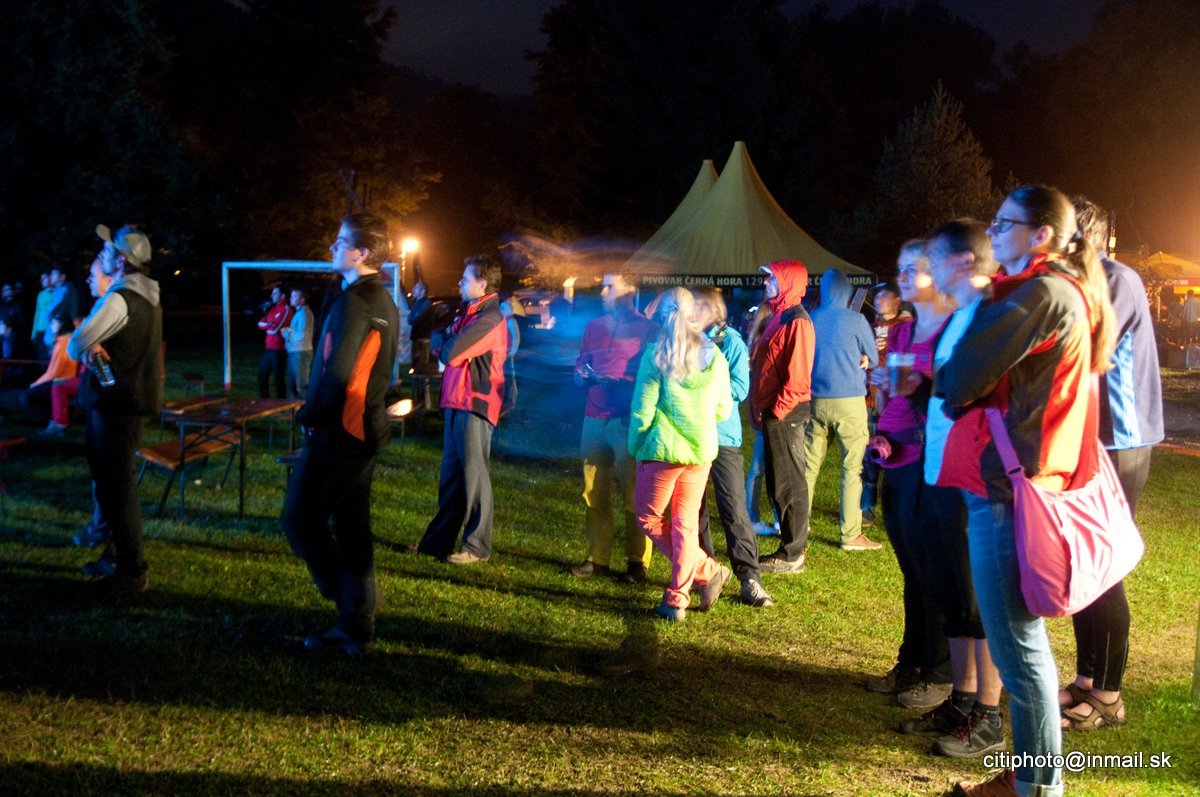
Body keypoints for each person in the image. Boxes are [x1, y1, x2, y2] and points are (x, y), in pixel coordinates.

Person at [937, 186, 1117, 797]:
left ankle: (1039, 787)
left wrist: (978, 306)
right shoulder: (1060, 290)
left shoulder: (1041, 292)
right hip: (1021, 484)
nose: (991, 231)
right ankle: (1031, 777)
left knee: (1018, 651)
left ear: (1040, 234)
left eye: (1002, 222)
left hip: (1009, 491)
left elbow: (956, 377)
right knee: (1021, 646)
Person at [888, 221, 1005, 759]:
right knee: (951, 590)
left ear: (961, 262)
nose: (923, 268)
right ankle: (961, 698)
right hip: (939, 466)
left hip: (973, 474)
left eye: (930, 258)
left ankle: (989, 714)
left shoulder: (990, 314)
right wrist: (918, 389)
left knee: (978, 597)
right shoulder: (959, 316)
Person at [1051, 197, 1164, 731]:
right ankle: (1086, 679)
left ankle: (1109, 695)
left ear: (1081, 237)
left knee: (1104, 565)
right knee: (1082, 561)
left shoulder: (1115, 279)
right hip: (1092, 439)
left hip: (1122, 439)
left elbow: (1082, 347)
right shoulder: (1084, 279)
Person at [282, 213, 400, 656]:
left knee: (299, 519)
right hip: (366, 429)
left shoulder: (356, 302)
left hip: (343, 431)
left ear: (362, 252)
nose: (332, 247)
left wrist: (310, 414)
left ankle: (353, 606)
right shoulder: (382, 298)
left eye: (340, 241)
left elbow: (336, 372)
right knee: (352, 526)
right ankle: (357, 624)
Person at [864, 242, 954, 709]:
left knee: (931, 568)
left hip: (927, 458)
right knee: (910, 568)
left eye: (911, 269)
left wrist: (916, 388)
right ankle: (912, 661)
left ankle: (939, 672)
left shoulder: (949, 331)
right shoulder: (902, 332)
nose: (901, 276)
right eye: (899, 268)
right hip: (893, 453)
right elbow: (894, 395)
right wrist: (882, 393)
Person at [68, 223, 163, 596]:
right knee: (112, 485)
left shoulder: (120, 298)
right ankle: (115, 556)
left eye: (109, 250)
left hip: (115, 405)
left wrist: (89, 343)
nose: (103, 254)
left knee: (117, 488)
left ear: (121, 261)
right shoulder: (148, 296)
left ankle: (132, 571)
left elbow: (76, 344)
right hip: (126, 401)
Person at [628, 287, 732, 621]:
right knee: (685, 525)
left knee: (648, 517)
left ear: (661, 316)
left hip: (663, 451)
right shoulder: (715, 357)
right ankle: (677, 599)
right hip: (700, 452)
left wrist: (636, 445)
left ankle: (707, 571)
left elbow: (642, 410)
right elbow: (724, 409)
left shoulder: (656, 355)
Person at [415, 255, 508, 565]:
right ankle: (437, 543)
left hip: (474, 404)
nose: (459, 283)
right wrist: (447, 339)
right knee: (452, 479)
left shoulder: (490, 319)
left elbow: (451, 351)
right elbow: (440, 343)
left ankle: (477, 547)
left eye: (465, 279)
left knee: (474, 476)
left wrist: (448, 340)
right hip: (456, 401)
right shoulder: (469, 314)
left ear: (482, 284)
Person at [569, 271, 658, 582]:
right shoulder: (594, 326)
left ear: (630, 290)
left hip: (627, 420)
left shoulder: (648, 330)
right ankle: (597, 558)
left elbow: (654, 377)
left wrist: (622, 384)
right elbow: (580, 364)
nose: (603, 291)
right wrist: (582, 376)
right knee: (594, 492)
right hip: (594, 417)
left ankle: (637, 562)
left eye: (610, 286)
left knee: (634, 494)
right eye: (603, 286)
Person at [692, 287, 773, 607]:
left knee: (734, 509)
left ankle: (749, 578)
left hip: (722, 437)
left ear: (714, 310)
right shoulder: (686, 341)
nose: (692, 311)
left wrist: (705, 382)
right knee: (694, 511)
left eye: (699, 306)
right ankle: (706, 573)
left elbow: (740, 388)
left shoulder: (731, 343)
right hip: (691, 438)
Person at [802, 267, 880, 551]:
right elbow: (874, 357)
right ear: (846, 291)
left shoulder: (810, 319)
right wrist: (864, 357)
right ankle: (850, 534)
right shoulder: (856, 320)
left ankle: (799, 527)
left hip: (815, 399)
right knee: (852, 467)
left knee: (809, 466)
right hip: (850, 401)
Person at [751, 259, 816, 574]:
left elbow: (798, 379)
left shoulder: (798, 321)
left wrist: (776, 412)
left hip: (786, 412)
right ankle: (789, 546)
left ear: (788, 282)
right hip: (775, 412)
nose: (765, 283)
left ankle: (792, 554)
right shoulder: (779, 316)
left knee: (789, 482)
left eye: (771, 279)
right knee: (779, 481)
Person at [860, 281, 911, 525]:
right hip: (870, 399)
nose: (878, 301)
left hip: (897, 403)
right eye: (876, 297)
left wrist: (889, 345)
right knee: (869, 452)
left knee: (897, 453)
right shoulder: (869, 328)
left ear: (897, 300)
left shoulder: (907, 327)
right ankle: (867, 506)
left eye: (884, 296)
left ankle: (897, 506)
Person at [742, 303, 777, 537]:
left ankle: (751, 515)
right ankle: (773, 517)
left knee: (759, 464)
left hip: (759, 408)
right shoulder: (767, 341)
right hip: (769, 408)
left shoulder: (755, 341)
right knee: (771, 466)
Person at [22, 311, 79, 433]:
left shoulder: (64, 342)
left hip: (62, 380)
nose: (51, 325)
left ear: (62, 324)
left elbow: (54, 372)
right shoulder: (63, 340)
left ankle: (55, 421)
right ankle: (54, 420)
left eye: (54, 323)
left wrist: (36, 383)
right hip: (61, 379)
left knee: (26, 397)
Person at [257, 285, 293, 398]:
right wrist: (269, 325)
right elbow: (260, 323)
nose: (271, 295)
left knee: (278, 378)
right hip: (269, 347)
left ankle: (281, 402)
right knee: (262, 374)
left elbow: (275, 329)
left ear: (282, 296)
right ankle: (265, 401)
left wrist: (268, 325)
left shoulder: (286, 309)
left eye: (275, 293)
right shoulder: (273, 308)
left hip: (279, 349)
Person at [281, 287, 314, 399]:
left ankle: (303, 406)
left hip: (300, 352)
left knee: (300, 384)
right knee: (294, 383)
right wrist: (288, 330)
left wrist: (286, 333)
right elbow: (298, 331)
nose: (291, 298)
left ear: (302, 299)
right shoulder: (299, 313)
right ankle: (294, 406)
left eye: (294, 296)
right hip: (296, 351)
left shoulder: (304, 314)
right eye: (291, 296)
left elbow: (301, 335)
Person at [30, 272, 56, 360]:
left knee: (51, 356)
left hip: (52, 329)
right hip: (40, 330)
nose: (41, 281)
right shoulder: (41, 295)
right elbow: (37, 313)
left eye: (44, 278)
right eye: (41, 278)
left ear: (50, 277)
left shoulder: (57, 293)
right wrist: (34, 333)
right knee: (42, 358)